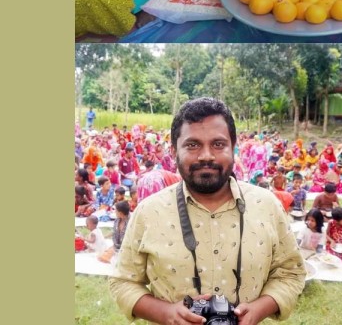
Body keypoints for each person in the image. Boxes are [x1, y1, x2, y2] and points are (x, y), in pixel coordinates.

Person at [109, 98, 305, 324]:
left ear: (233, 148)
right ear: (174, 151)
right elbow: (122, 281)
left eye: (218, 144)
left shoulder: (267, 206)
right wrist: (165, 313)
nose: (206, 156)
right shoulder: (148, 212)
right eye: (192, 145)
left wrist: (259, 309)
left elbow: (291, 272)